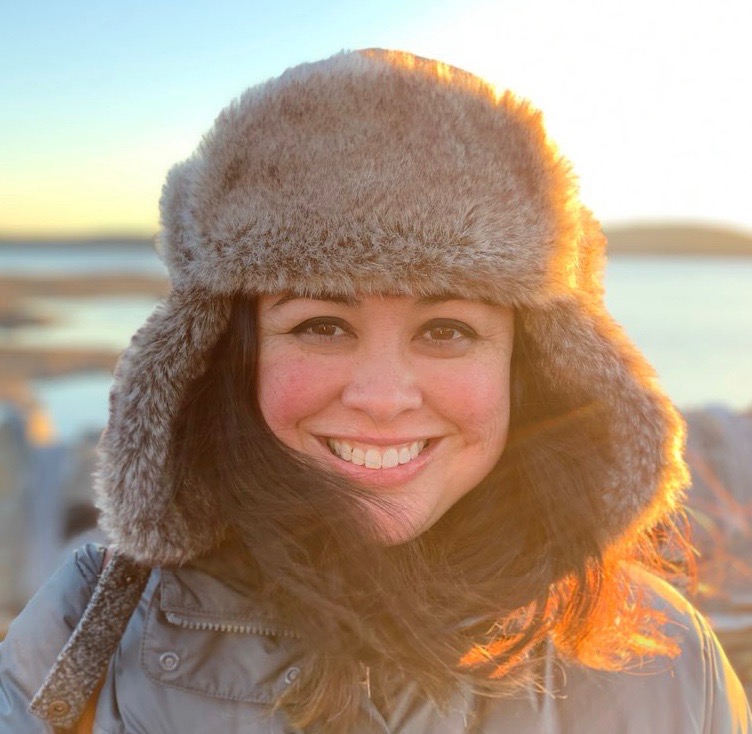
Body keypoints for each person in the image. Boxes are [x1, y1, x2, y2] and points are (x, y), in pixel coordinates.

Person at [1, 49, 749, 734]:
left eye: (447, 330)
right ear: (227, 358)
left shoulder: (663, 661)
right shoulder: (85, 633)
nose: (384, 398)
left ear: (534, 368)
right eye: (322, 326)